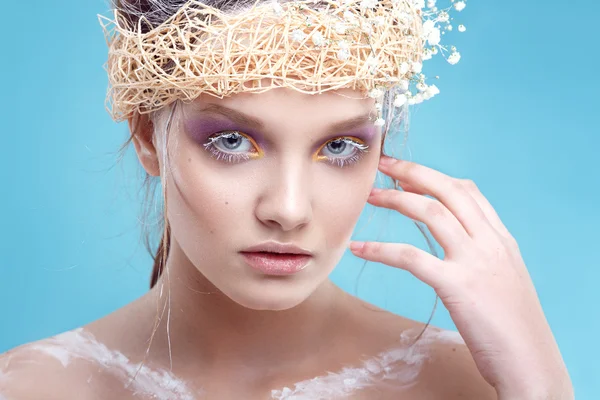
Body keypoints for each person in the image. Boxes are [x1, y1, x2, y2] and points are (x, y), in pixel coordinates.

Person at [0, 0, 574, 399]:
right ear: (149, 136)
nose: (290, 208)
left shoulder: (478, 388)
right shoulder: (27, 388)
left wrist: (543, 392)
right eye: (231, 141)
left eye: (340, 145)